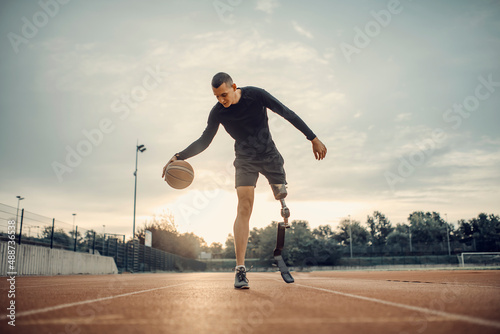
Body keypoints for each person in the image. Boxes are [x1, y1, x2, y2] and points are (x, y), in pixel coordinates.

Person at [162, 72, 327, 289]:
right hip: (245, 159)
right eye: (216, 97)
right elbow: (204, 141)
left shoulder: (256, 95)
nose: (221, 100)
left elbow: (286, 112)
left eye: (223, 94)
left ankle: (283, 206)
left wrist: (313, 138)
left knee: (281, 194)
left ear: (234, 87)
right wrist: (178, 156)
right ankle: (240, 269)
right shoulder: (218, 113)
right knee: (244, 206)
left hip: (269, 155)